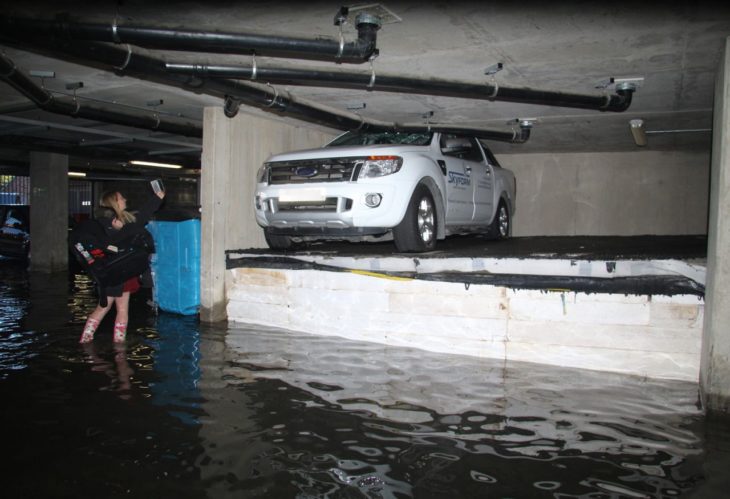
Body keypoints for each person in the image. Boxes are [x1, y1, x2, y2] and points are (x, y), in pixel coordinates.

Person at [79, 187, 165, 343]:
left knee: (109, 308)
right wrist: (157, 198)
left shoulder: (107, 221)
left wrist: (157, 198)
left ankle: (91, 340)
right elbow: (140, 220)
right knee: (110, 308)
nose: (125, 199)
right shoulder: (115, 222)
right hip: (118, 272)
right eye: (121, 198)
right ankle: (107, 343)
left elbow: (140, 217)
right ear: (114, 202)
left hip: (116, 271)